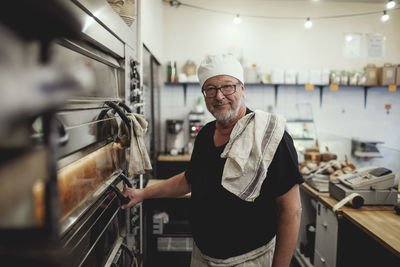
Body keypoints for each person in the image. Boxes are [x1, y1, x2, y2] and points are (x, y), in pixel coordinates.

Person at [122, 54, 304, 267]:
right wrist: (142, 194)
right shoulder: (206, 134)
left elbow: (291, 210)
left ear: (242, 89)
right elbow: (190, 180)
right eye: (210, 89)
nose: (219, 96)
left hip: (250, 260)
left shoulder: (269, 137)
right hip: (201, 256)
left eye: (228, 86)